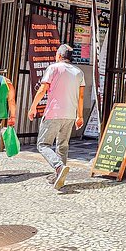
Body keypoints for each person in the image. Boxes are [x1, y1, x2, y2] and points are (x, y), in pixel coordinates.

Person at [28, 44, 85, 190]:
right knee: (63, 146)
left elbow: (42, 89)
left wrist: (33, 107)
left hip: (54, 112)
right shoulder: (79, 72)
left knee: (43, 144)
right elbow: (81, 96)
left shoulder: (53, 68)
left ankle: (59, 167)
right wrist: (80, 116)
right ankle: (59, 176)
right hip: (70, 114)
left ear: (59, 56)